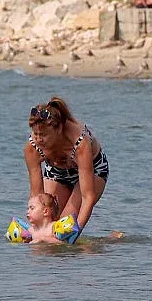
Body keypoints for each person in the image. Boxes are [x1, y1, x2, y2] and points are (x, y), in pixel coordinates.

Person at [24, 97, 109, 243]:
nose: (38, 139)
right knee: (47, 223)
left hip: (93, 170)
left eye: (43, 135)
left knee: (61, 231)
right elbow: (37, 197)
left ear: (59, 129)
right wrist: (35, 230)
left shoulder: (80, 143)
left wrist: (74, 234)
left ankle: (111, 240)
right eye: (35, 134)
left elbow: (88, 197)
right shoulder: (32, 148)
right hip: (57, 172)